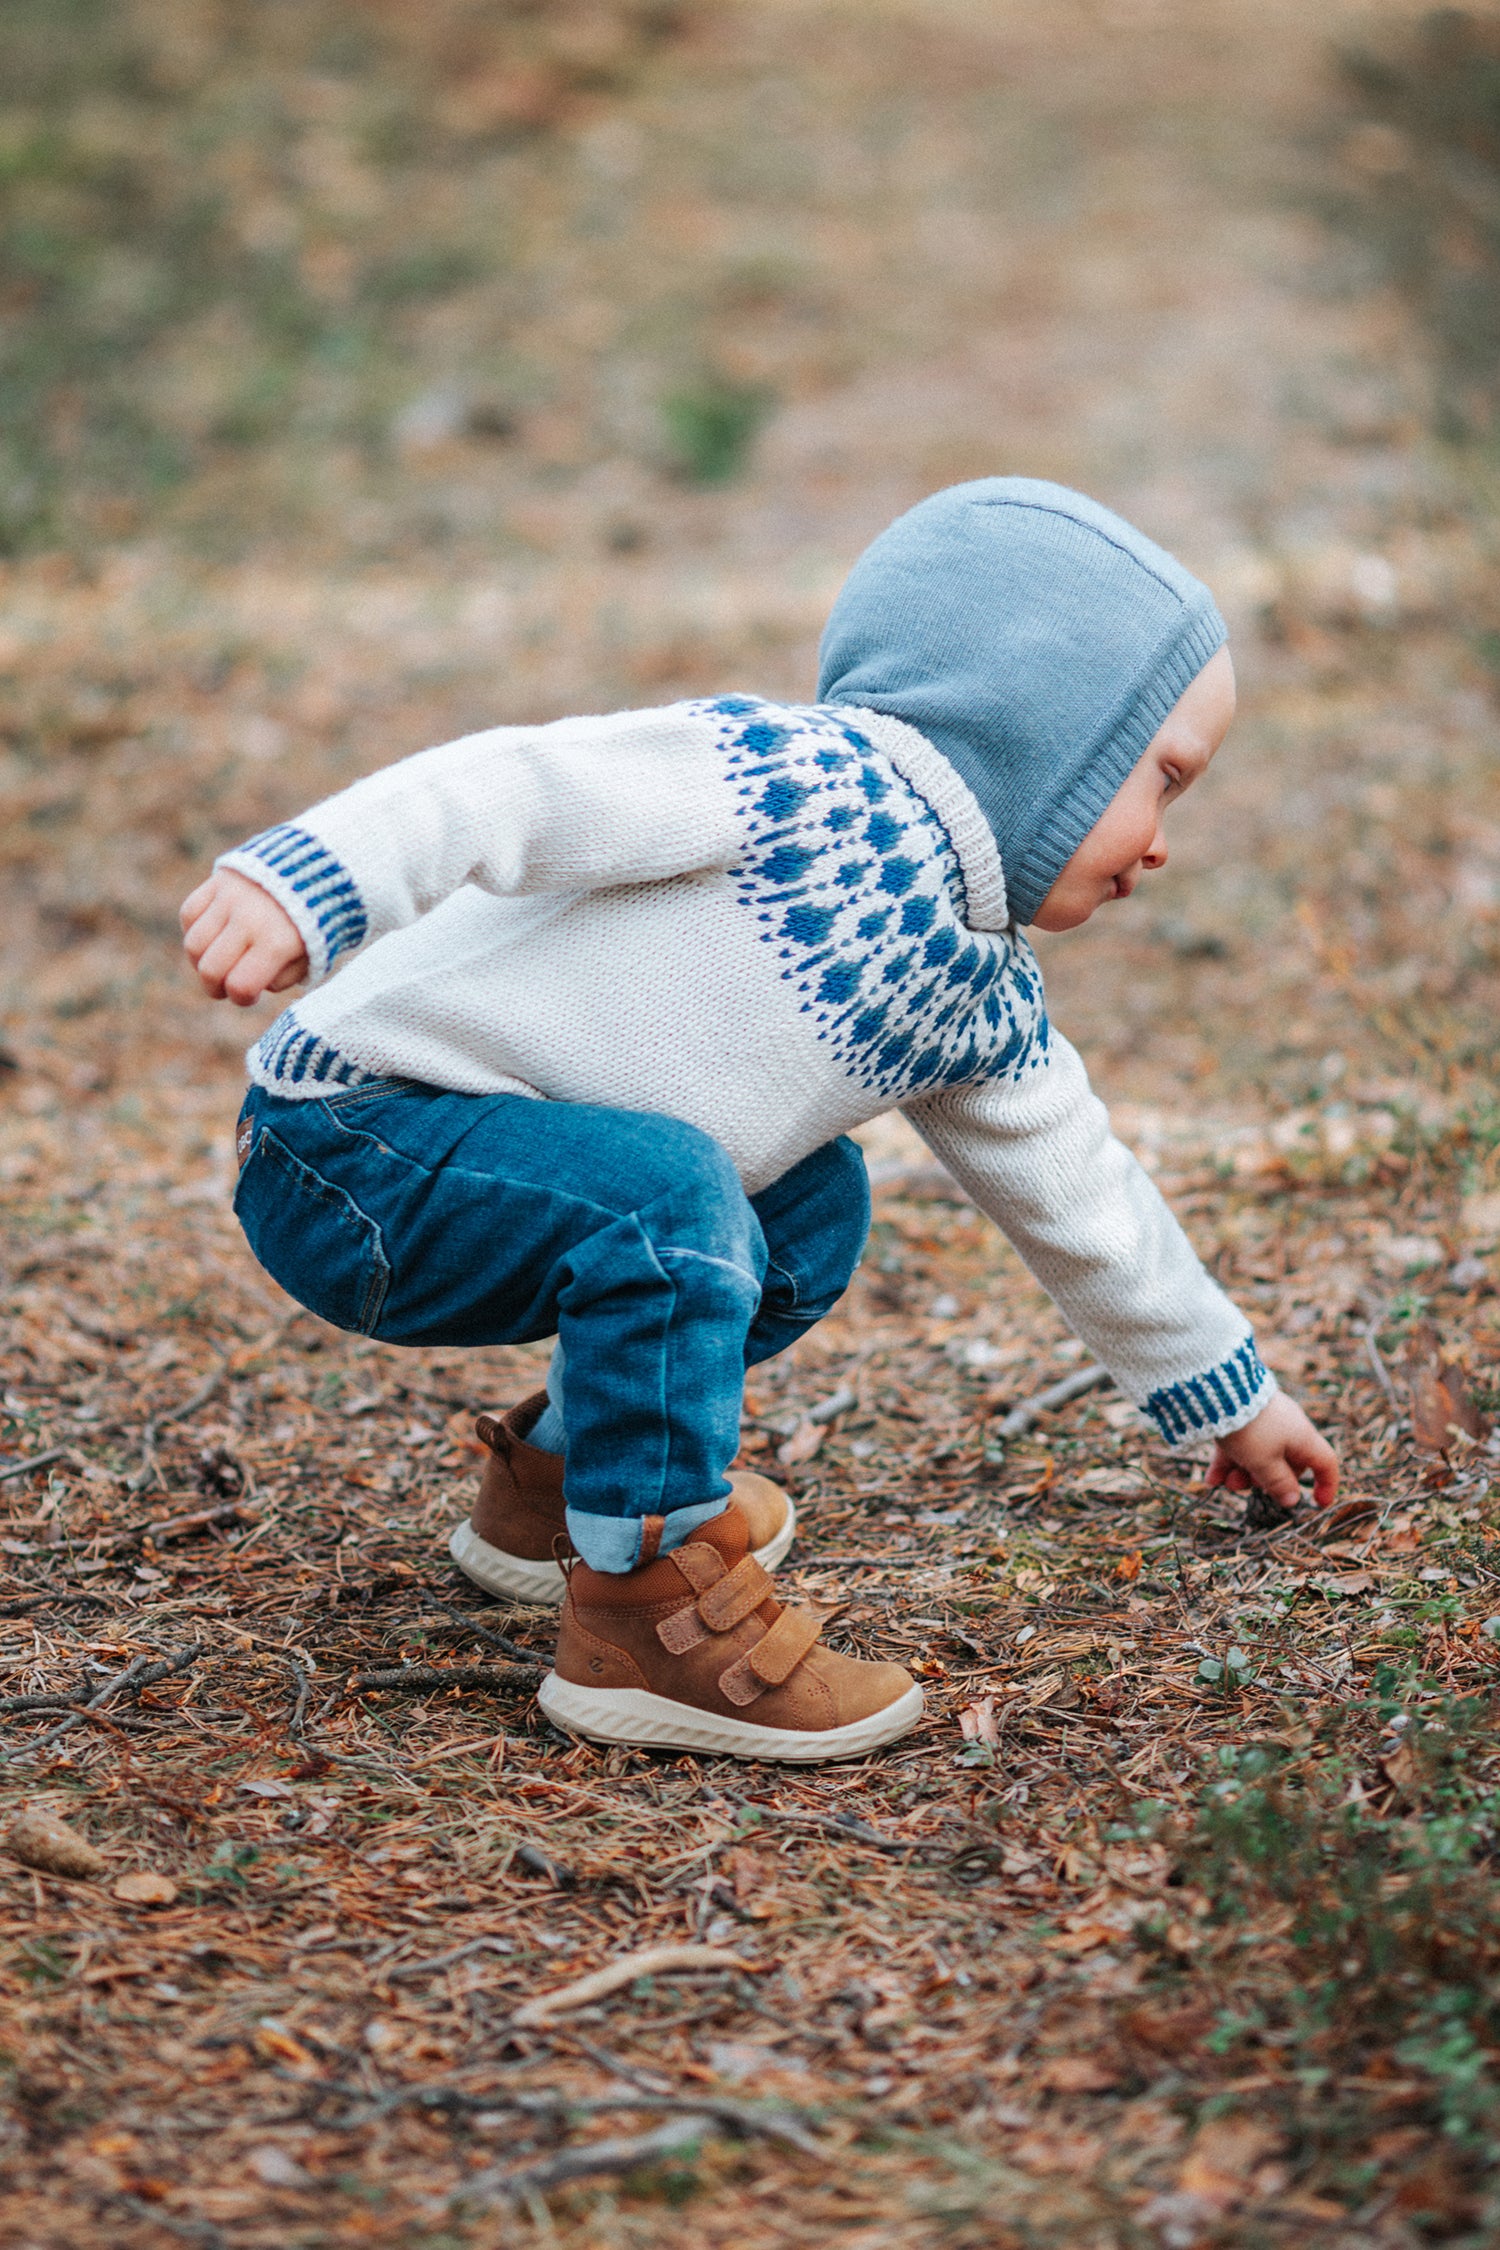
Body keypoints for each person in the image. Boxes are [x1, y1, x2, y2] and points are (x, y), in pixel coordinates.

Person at [180, 478, 1338, 1764]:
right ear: (1044, 733)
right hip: (350, 1150)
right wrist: (311, 881)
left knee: (809, 1208)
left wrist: (1226, 1396)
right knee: (674, 1197)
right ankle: (648, 1614)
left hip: (520, 1170)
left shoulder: (979, 993)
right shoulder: (791, 782)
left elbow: (1089, 1207)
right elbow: (522, 789)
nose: (1164, 842)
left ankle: (564, 1495)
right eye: (1161, 780)